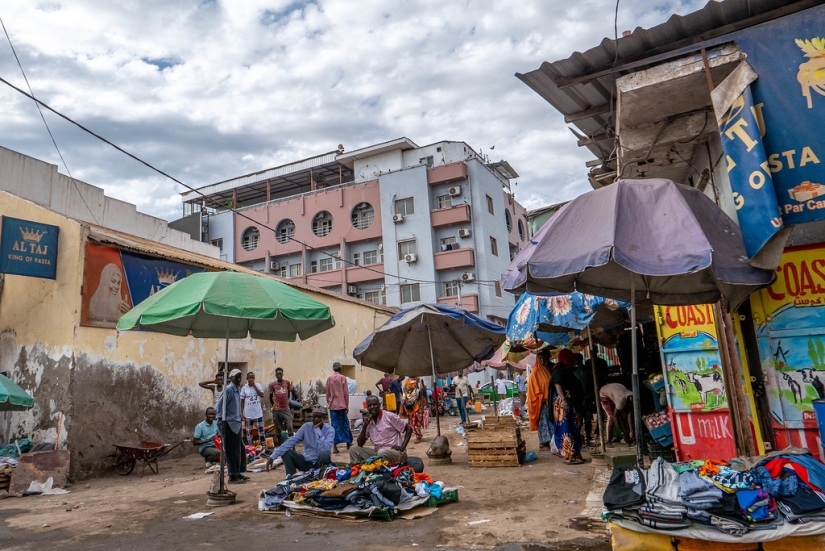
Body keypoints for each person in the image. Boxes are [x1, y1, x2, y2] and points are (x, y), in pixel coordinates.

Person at [266, 406, 334, 476]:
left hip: (320, 464)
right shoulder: (306, 427)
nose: (316, 419)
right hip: (306, 462)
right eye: (314, 417)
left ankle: (321, 474)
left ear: (323, 418)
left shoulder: (330, 430)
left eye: (319, 417)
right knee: (286, 452)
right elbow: (291, 441)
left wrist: (317, 430)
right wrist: (273, 456)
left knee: (325, 454)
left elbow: (325, 448)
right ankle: (291, 478)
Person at [350, 395, 413, 464]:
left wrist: (402, 447)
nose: (372, 407)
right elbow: (360, 444)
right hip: (378, 453)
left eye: (375, 404)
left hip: (396, 453)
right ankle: (360, 471)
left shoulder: (389, 416)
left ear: (379, 405)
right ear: (367, 407)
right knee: (353, 449)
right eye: (369, 405)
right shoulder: (368, 422)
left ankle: (379, 467)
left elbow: (409, 428)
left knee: (381, 453)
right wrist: (365, 426)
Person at [551, 349, 585, 465]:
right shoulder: (559, 369)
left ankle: (574, 454)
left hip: (568, 402)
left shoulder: (566, 369)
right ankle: (570, 455)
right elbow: (557, 384)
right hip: (563, 404)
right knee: (567, 428)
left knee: (574, 425)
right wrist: (564, 400)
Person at [215, 368, 248, 483]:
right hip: (228, 423)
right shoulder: (228, 390)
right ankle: (232, 475)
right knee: (232, 449)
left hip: (236, 422)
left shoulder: (237, 390)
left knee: (240, 448)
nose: (239, 379)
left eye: (240, 377)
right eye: (237, 377)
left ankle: (239, 472)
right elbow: (219, 407)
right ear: (231, 378)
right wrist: (221, 421)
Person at [528, 350, 553, 450]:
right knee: (544, 422)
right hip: (541, 403)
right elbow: (534, 388)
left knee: (549, 421)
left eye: (544, 358)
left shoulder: (546, 369)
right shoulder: (535, 371)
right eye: (540, 358)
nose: (543, 360)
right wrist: (542, 398)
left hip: (548, 401)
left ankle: (550, 441)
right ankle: (543, 443)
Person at [326, 362, 352, 454]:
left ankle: (334, 446)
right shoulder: (343, 378)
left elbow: (328, 393)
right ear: (340, 369)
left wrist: (329, 402)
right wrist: (347, 405)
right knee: (345, 424)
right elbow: (346, 393)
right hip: (342, 405)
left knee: (334, 425)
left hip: (333, 405)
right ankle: (348, 443)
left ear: (333, 369)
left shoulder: (329, 379)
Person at [573, 353, 597, 445]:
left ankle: (586, 437)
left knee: (585, 419)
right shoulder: (575, 371)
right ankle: (583, 438)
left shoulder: (585, 370)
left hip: (586, 398)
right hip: (582, 398)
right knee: (581, 419)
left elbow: (590, 384)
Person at [268, 368, 293, 445]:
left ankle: (292, 444)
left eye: (280, 374)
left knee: (290, 426)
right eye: (277, 374)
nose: (279, 375)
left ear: (282, 374)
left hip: (286, 408)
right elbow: (270, 396)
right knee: (278, 428)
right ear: (275, 375)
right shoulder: (273, 385)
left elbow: (288, 393)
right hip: (277, 410)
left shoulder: (287, 383)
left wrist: (286, 402)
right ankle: (280, 445)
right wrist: (274, 405)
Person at [398, 376, 427, 443]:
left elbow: (422, 393)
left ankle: (418, 436)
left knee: (416, 422)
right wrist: (404, 401)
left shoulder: (419, 382)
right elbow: (404, 393)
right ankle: (418, 435)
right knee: (412, 422)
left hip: (418, 406)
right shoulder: (407, 382)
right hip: (410, 407)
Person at [240, 371, 265, 447]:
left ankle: (263, 446)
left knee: (261, 432)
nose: (251, 379)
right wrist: (242, 413)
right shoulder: (244, 388)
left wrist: (254, 386)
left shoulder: (258, 385)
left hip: (258, 414)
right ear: (247, 379)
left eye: (252, 378)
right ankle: (250, 447)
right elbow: (242, 401)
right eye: (249, 378)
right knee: (248, 432)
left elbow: (262, 395)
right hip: (248, 414)